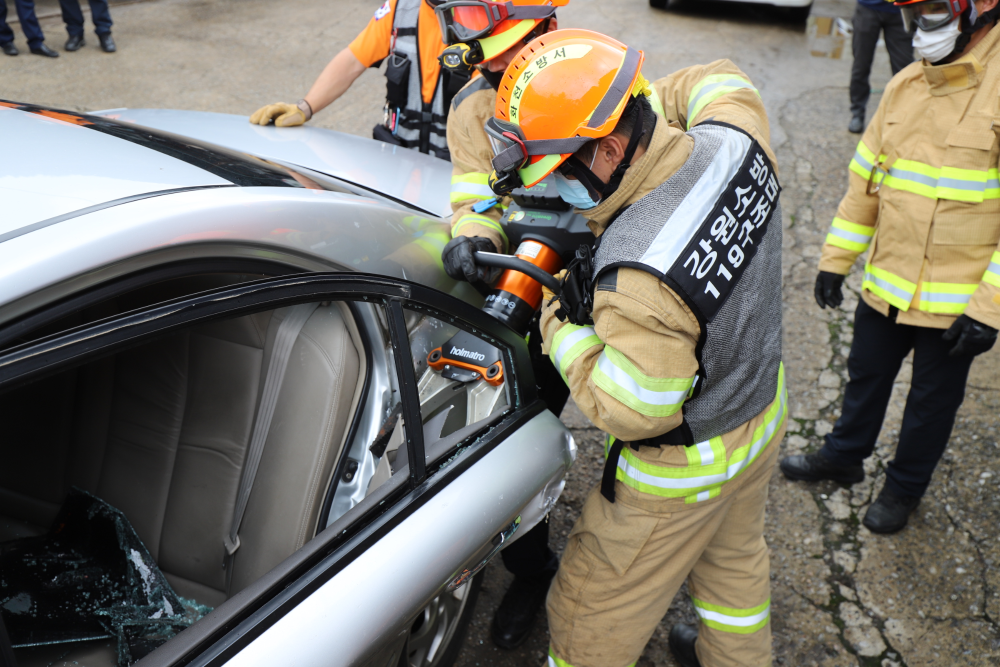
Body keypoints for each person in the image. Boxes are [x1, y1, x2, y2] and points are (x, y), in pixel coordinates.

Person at [485, 29, 785, 667]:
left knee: (587, 613)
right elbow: (718, 73)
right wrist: (631, 100)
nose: (554, 190)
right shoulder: (739, 134)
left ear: (610, 148)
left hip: (685, 472)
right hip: (760, 409)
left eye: (558, 172)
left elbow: (634, 407)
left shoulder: (635, 279)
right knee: (735, 576)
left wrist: (558, 325)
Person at [782, 0, 1000, 534]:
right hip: (885, 283)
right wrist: (836, 261)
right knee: (865, 375)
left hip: (954, 303)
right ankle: (844, 455)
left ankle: (903, 489)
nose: (922, 23)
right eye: (915, 9)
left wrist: (989, 308)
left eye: (932, 7)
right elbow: (865, 187)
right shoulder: (907, 84)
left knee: (930, 407)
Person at [434, 0, 570, 650]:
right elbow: (475, 194)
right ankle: (529, 563)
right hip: (515, 291)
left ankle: (550, 561)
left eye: (511, 51)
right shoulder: (471, 108)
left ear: (547, 29)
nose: (497, 71)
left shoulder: (588, 85)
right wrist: (472, 232)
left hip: (586, 299)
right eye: (489, 56)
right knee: (510, 434)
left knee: (588, 418)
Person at [250, 0, 471, 161]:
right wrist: (305, 108)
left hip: (461, 168)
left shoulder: (488, 16)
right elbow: (353, 61)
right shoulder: (399, 9)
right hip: (399, 163)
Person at [848, 0, 913, 133]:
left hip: (902, 10)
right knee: (861, 65)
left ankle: (901, 118)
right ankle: (857, 113)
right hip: (868, 7)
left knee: (905, 71)